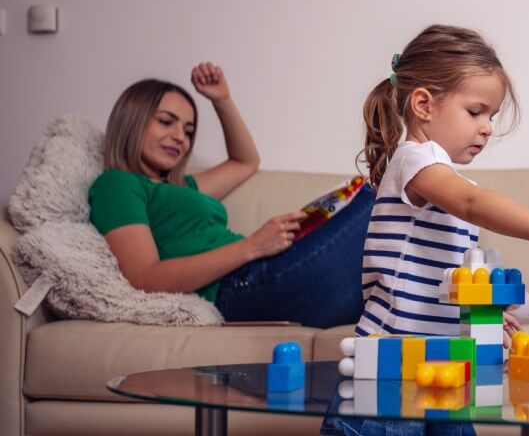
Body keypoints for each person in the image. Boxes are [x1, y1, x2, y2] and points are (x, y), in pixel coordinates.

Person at [355, 25, 529, 337]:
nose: (487, 128)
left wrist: (477, 312)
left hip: (431, 345)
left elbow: (443, 277)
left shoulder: (433, 172)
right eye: (475, 112)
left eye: (490, 117)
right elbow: (473, 204)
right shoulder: (417, 159)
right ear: (423, 105)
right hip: (393, 341)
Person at [88, 62, 375, 327]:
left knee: (384, 224)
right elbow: (144, 277)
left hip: (261, 271)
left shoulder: (181, 187)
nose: (180, 137)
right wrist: (253, 246)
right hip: (239, 286)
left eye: (188, 131)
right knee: (377, 196)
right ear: (132, 121)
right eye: (166, 122)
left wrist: (221, 100)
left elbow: (245, 161)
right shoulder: (118, 184)